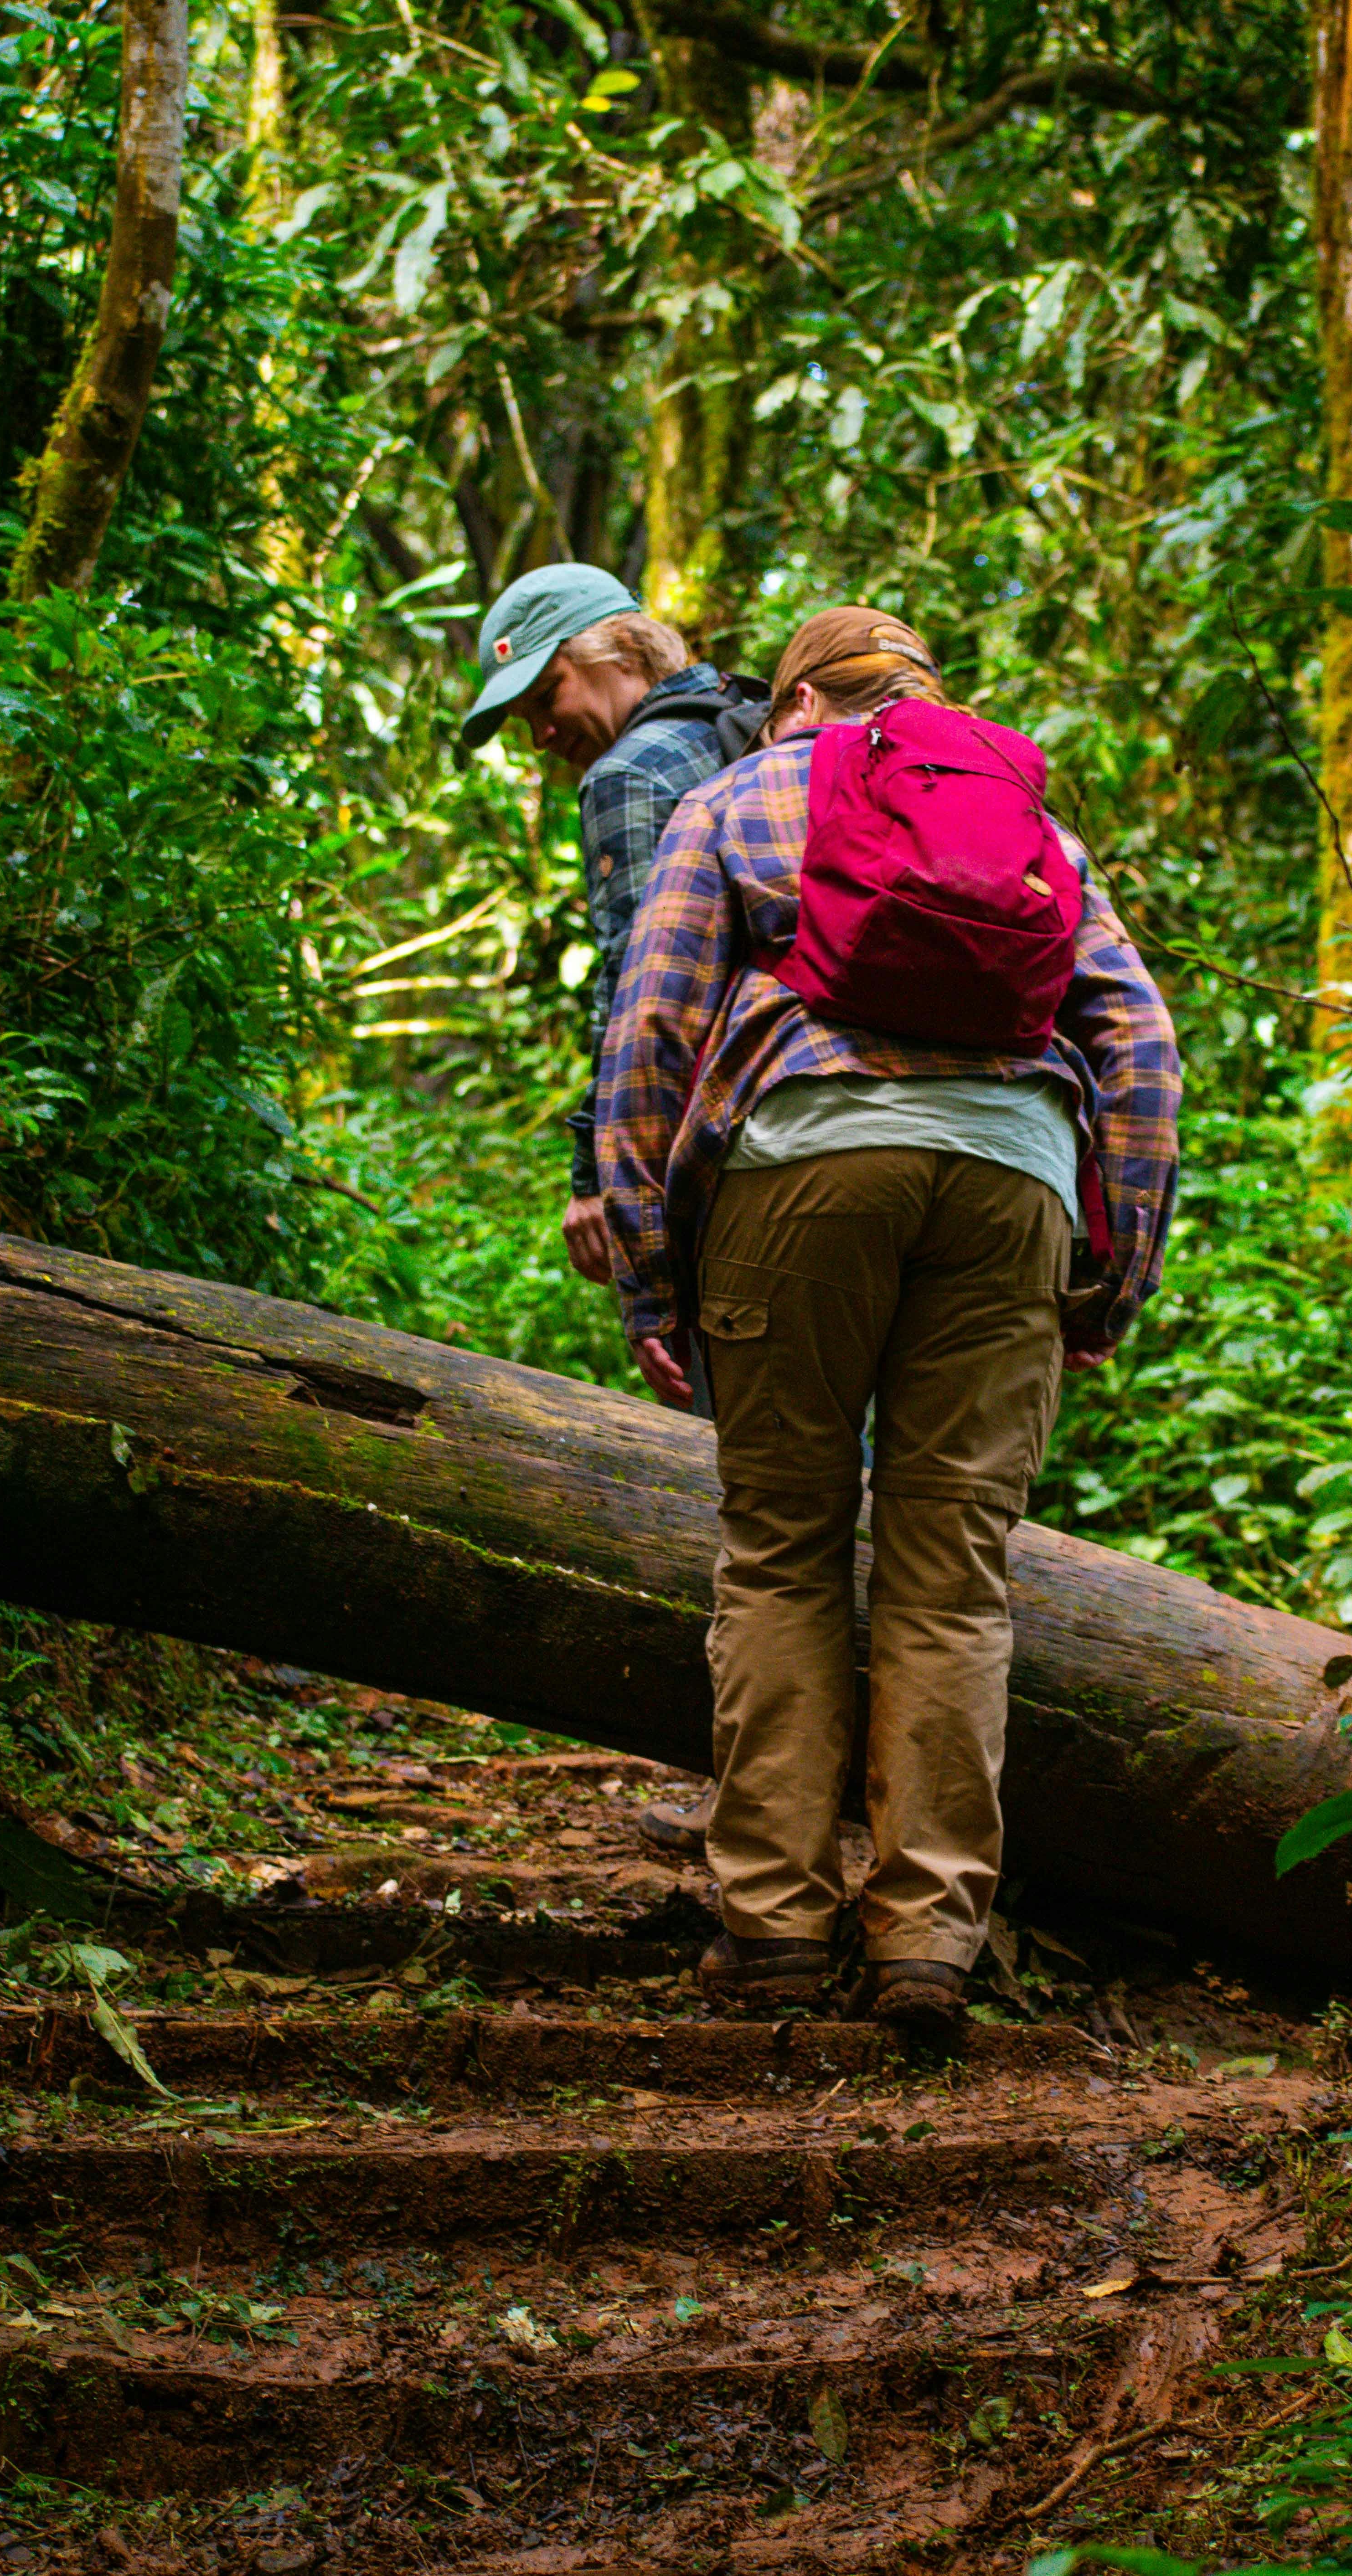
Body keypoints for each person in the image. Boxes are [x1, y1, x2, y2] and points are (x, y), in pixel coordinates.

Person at [595, 607, 1180, 2032]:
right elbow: (1141, 1045)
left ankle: (775, 1928)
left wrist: (646, 1275)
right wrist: (1111, 1274)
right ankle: (929, 1938)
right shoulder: (1029, 825)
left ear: (790, 699)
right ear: (927, 696)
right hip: (1014, 1185)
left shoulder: (738, 795)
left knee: (786, 1550)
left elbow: (651, 1030)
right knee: (953, 1571)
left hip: (800, 1167)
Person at [462, 563, 765, 1858]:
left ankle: (761, 1807)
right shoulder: (755, 737)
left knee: (760, 1498)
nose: (541, 725)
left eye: (547, 689)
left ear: (611, 652)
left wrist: (605, 1178)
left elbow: (646, 989)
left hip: (733, 1158)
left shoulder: (637, 774)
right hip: (871, 1136)